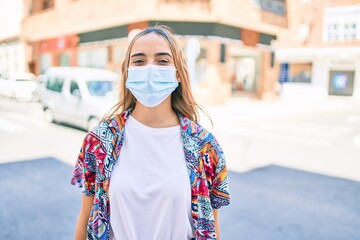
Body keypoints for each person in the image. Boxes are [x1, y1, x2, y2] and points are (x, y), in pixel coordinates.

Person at [71, 25, 230, 240]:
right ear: (127, 72)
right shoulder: (98, 142)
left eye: (162, 61)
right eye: (139, 61)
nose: (150, 69)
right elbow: (86, 218)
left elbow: (213, 226)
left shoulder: (205, 147)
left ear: (178, 74)